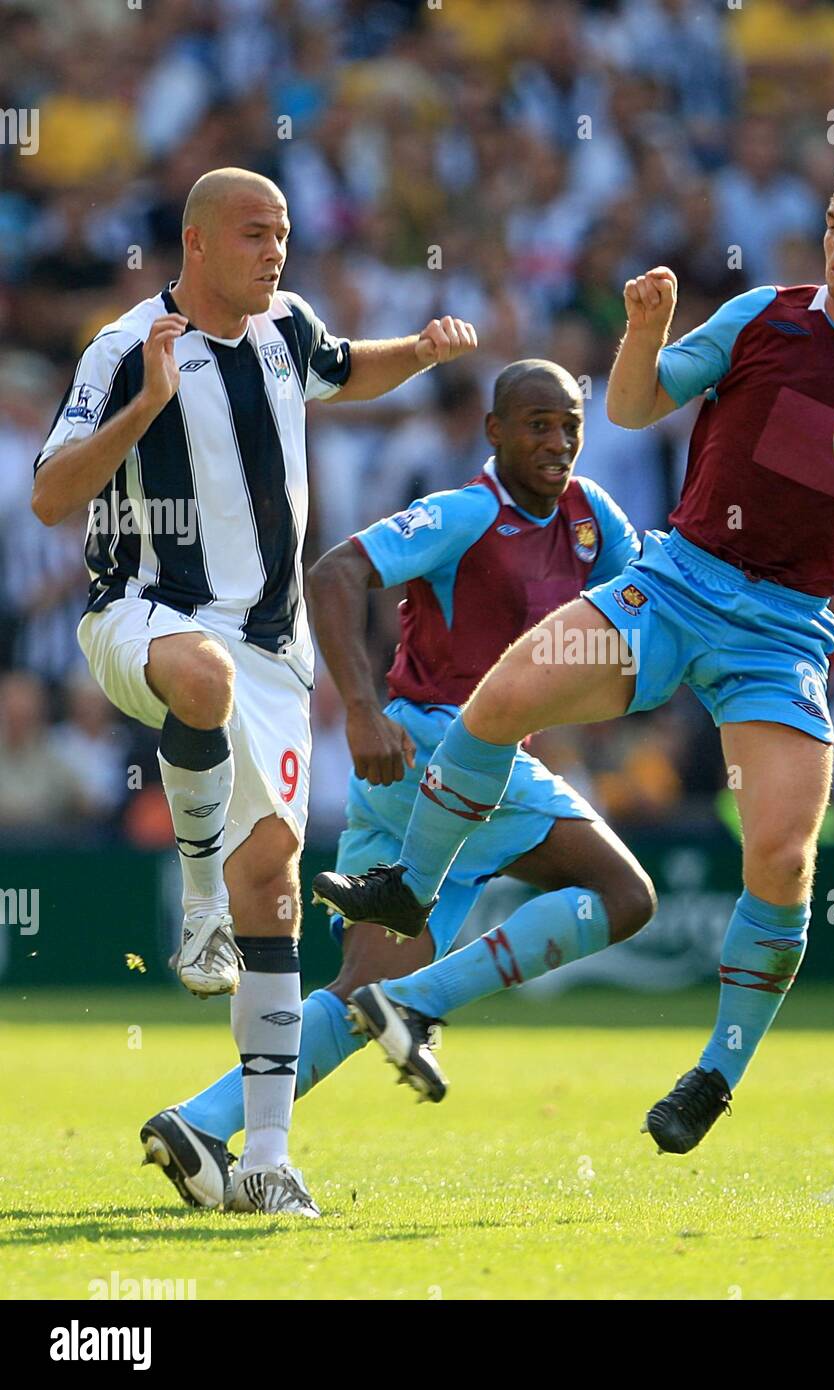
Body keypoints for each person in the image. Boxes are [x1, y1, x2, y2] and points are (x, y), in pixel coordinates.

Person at [316, 152, 834, 1155]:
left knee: (781, 853)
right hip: (671, 584)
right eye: (832, 221)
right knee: (502, 697)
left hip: (782, 634)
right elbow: (632, 407)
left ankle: (713, 1074)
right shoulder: (763, 315)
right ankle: (410, 886)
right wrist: (642, 334)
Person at [31, 167, 478, 1215]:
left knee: (274, 885)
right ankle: (193, 900)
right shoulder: (122, 346)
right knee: (199, 675)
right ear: (194, 243)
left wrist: (412, 355)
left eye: (281, 233)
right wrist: (146, 402)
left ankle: (266, 1158)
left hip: (276, 652)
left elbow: (339, 368)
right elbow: (54, 495)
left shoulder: (286, 329)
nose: (274, 251)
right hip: (141, 611)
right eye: (252, 234)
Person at [141, 360, 655, 1209]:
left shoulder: (594, 519)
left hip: (412, 784)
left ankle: (200, 1121)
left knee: (349, 1000)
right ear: (492, 431)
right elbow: (336, 573)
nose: (557, 441)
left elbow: (648, 598)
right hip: (439, 754)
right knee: (626, 895)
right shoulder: (465, 513)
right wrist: (359, 710)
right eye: (536, 423)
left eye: (569, 424)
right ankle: (414, 1008)